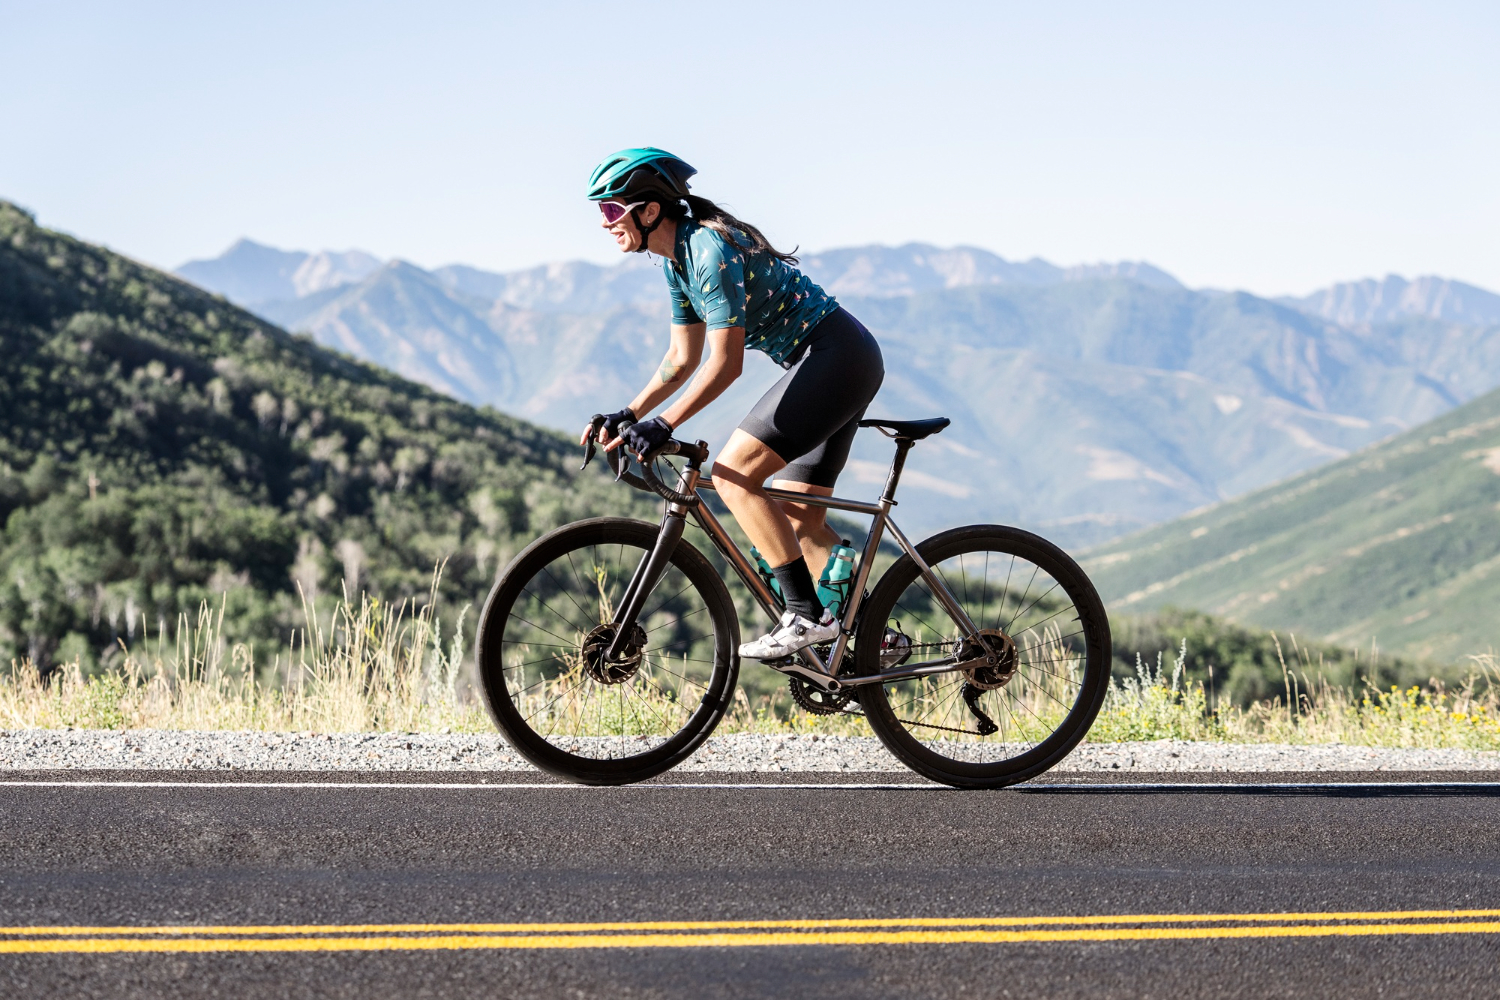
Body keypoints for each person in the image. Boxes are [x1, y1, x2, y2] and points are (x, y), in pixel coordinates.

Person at [581, 147, 884, 662]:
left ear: (649, 210)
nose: (606, 223)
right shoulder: (677, 263)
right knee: (797, 510)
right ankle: (874, 636)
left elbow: (725, 365)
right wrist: (630, 413)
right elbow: (682, 357)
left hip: (836, 357)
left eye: (612, 210)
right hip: (837, 358)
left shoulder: (708, 251)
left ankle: (807, 617)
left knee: (733, 474)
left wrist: (665, 422)